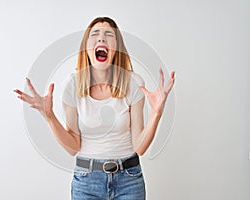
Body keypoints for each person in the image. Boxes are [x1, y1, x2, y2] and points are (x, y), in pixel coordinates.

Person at [14, 17, 175, 200]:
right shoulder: (72, 85)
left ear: (117, 48)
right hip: (87, 181)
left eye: (109, 34)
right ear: (86, 47)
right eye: (95, 34)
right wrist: (49, 115)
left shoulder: (133, 83)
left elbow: (139, 147)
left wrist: (156, 113)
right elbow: (73, 147)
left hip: (129, 180)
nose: (101, 39)